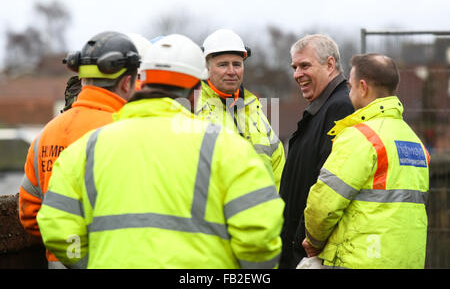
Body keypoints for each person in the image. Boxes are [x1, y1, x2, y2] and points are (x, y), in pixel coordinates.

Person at [36, 34, 285, 269]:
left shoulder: (86, 148)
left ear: (137, 82)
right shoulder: (228, 148)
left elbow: (57, 227)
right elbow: (260, 236)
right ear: (197, 91)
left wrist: (90, 262)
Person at [19, 31, 147, 268]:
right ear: (128, 82)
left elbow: (29, 214)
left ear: (82, 79)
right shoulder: (132, 132)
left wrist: (69, 247)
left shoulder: (44, 135)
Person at [303, 53, 430, 269]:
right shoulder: (415, 141)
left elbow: (324, 203)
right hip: (408, 260)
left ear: (363, 87)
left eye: (350, 87)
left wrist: (313, 240)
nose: (349, 93)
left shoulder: (360, 137)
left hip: (361, 259)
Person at [278, 34, 354, 268]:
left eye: (304, 66)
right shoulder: (321, 110)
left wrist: (303, 244)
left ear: (330, 64)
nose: (297, 74)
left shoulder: (341, 108)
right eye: (294, 67)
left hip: (311, 254)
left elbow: (329, 187)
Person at [196, 29, 285, 190]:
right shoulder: (193, 109)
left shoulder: (254, 109)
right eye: (223, 65)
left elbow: (278, 164)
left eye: (236, 64)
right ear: (207, 68)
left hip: (263, 212)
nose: (231, 71)